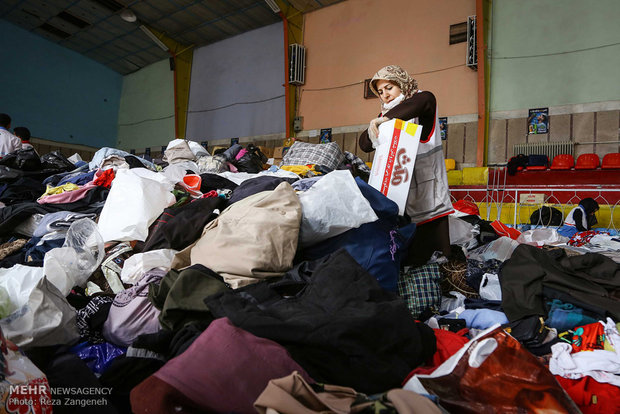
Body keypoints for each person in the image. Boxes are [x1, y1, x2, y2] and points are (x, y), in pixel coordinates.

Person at [359, 65, 453, 267]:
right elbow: (364, 144)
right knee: (413, 256)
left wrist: (384, 119)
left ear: (402, 84)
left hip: (428, 190)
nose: (385, 95)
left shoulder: (422, 101)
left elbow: (422, 102)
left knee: (438, 255)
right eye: (381, 92)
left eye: (389, 87)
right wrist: (377, 125)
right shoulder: (387, 117)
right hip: (403, 192)